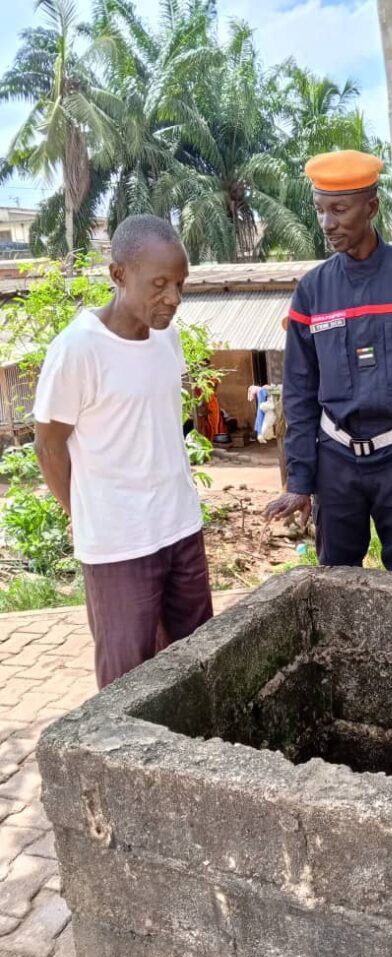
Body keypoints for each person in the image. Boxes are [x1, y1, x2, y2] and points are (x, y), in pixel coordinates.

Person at [33, 214, 213, 689]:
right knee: (126, 680)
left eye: (179, 283)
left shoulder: (166, 337)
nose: (173, 298)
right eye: (159, 284)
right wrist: (85, 514)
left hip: (180, 528)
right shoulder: (78, 349)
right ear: (118, 275)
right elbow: (48, 446)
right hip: (118, 546)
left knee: (200, 661)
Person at [264, 150, 392, 574]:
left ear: (371, 207)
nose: (327, 223)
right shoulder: (312, 292)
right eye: (320, 210)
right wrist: (301, 481)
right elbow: (298, 395)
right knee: (335, 578)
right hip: (336, 462)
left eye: (338, 209)